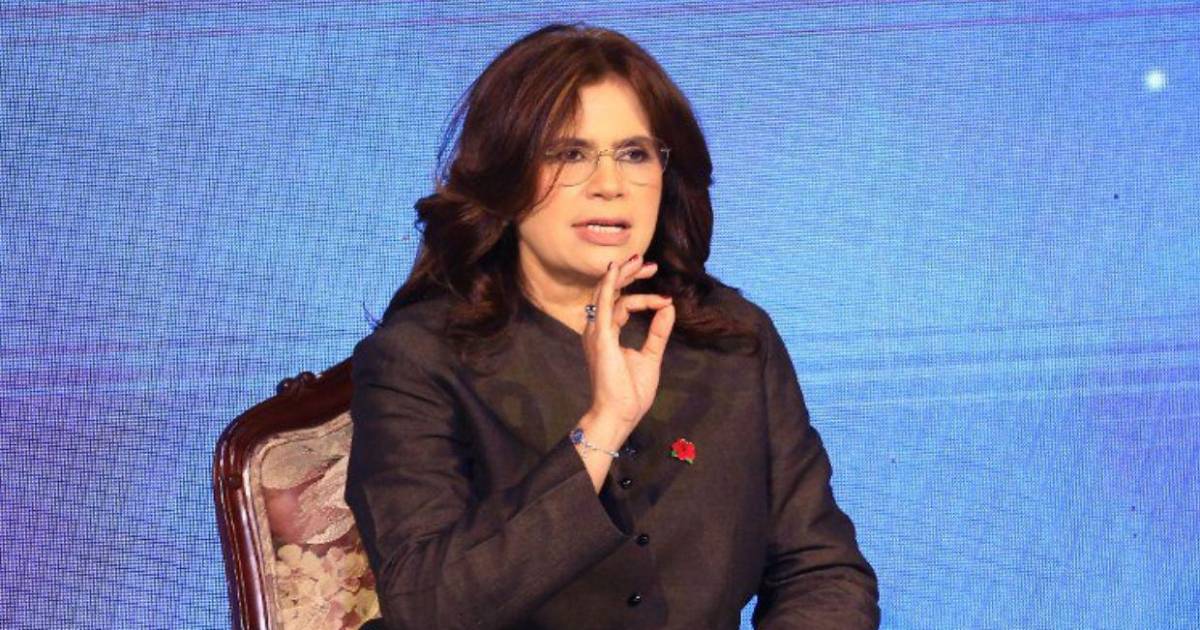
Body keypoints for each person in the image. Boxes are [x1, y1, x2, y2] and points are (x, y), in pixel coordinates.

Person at [345, 23, 879, 629]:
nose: (609, 185)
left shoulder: (734, 339)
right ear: (506, 177)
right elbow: (429, 608)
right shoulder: (418, 359)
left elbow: (821, 570)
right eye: (568, 154)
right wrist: (602, 429)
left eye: (634, 154)